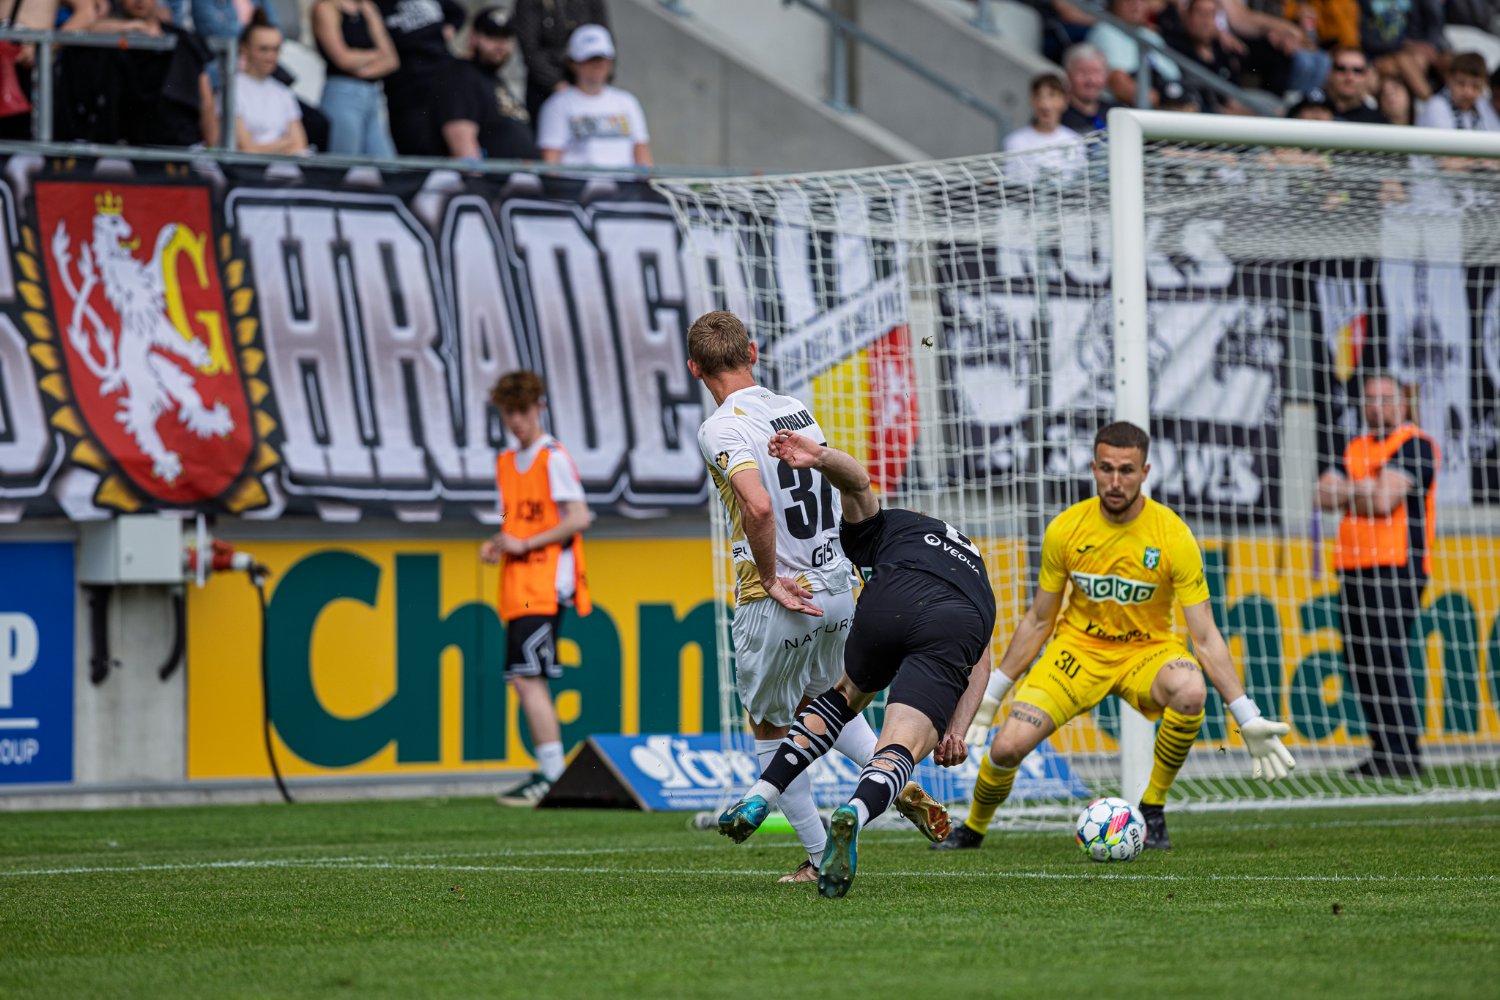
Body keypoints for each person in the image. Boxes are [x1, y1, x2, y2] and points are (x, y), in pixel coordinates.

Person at [934, 421, 1295, 852]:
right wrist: (992, 694)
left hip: (1147, 652)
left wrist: (1246, 715)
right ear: (1093, 468)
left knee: (1190, 689)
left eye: (1127, 470)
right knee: (1008, 747)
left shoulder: (1173, 535)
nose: (1116, 481)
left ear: (1145, 472)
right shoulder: (1066, 529)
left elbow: (1205, 635)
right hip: (1077, 652)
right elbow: (1039, 620)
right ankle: (973, 828)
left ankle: (1153, 808)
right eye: (1106, 469)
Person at [688, 310, 951, 883]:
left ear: (694, 369)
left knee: (769, 725)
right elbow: (835, 481)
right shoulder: (795, 408)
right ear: (753, 353)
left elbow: (759, 506)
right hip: (835, 587)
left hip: (780, 597)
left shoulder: (720, 427)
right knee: (827, 704)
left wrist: (769, 577)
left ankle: (815, 857)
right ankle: (895, 783)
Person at [715, 429, 995, 898]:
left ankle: (762, 793)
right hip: (959, 618)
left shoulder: (879, 527)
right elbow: (980, 658)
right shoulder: (963, 553)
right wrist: (957, 731)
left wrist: (820, 457)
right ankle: (857, 811)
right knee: (900, 745)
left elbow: (858, 483)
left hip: (886, 602)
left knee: (841, 697)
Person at [1316, 372, 1437, 778]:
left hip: (1396, 566)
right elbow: (1322, 495)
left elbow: (1385, 500)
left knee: (1387, 656)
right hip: (1352, 565)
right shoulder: (1354, 446)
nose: (1376, 407)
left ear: (1402, 404)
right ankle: (1383, 749)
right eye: (1370, 399)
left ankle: (1405, 751)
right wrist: (1365, 487)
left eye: (1385, 399)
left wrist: (1352, 490)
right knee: (1359, 659)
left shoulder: (1415, 444)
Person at [482, 370, 594, 806]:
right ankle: (550, 771)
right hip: (518, 584)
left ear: (539, 408)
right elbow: (513, 519)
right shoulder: (506, 462)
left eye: (522, 410)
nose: (516, 420)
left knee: (529, 678)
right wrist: (499, 542)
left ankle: (552, 775)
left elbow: (579, 517)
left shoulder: (553, 457)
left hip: (547, 582)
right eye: (509, 412)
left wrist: (525, 543)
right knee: (522, 678)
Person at [535, 24, 650, 168]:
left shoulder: (627, 102)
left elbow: (642, 154)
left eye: (602, 59)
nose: (598, 65)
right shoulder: (557, 105)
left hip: (624, 181)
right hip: (577, 181)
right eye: (590, 59)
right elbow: (552, 161)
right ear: (573, 64)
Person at [445, 5, 540, 160]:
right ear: (473, 37)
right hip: (495, 175)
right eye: (492, 36)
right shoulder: (462, 75)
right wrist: (475, 173)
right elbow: (463, 145)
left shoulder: (493, 78)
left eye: (506, 37)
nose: (500, 45)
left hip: (522, 173)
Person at [376, 0, 467, 156]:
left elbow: (458, 13)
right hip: (406, 88)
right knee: (415, 146)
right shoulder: (377, 6)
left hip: (443, 80)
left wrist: (450, 28)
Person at [311, 0, 399, 156]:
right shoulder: (326, 7)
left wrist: (362, 69)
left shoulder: (367, 7)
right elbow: (343, 59)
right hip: (342, 93)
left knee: (387, 163)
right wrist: (377, 54)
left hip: (372, 94)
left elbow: (392, 60)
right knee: (345, 161)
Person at [513, 0, 607, 124]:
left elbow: (604, 40)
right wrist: (557, 83)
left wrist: (597, 79)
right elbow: (530, 49)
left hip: (586, 82)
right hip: (546, 86)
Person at [234, 12, 310, 154]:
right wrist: (284, 144)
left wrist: (262, 148)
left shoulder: (283, 92)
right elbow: (246, 149)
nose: (271, 57)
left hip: (283, 166)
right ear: (244, 48)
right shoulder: (232, 89)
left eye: (276, 49)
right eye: (264, 49)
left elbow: (300, 145)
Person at [1086, 0, 1182, 107]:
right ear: (1114, 4)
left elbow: (1175, 76)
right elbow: (1119, 84)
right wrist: (1166, 100)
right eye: (1129, 1)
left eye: (1141, 1)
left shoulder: (1151, 35)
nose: (1136, 5)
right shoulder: (1105, 30)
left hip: (1161, 102)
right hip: (1123, 108)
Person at [1004, 74, 1086, 186]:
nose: (1045, 105)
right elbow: (1012, 185)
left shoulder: (1075, 141)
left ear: (1065, 100)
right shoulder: (1015, 141)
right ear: (1032, 100)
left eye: (1052, 95)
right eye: (1039, 96)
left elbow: (1080, 183)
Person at [1415, 51, 1500, 130]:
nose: (1468, 93)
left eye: (1475, 86)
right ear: (1449, 80)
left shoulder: (1482, 105)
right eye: (1461, 83)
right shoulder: (1436, 106)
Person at [1060, 43, 1117, 133]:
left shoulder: (1116, 112)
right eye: (1083, 72)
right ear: (1068, 75)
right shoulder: (1057, 115)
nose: (1091, 80)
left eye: (1097, 72)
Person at [1325, 48, 1389, 122]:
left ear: (1367, 76)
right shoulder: (1314, 113)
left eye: (1357, 71)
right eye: (1341, 69)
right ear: (1330, 73)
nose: (1349, 77)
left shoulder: (1377, 122)